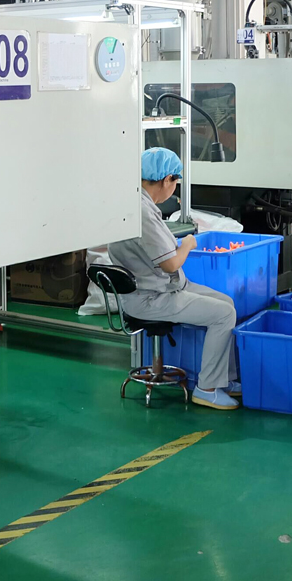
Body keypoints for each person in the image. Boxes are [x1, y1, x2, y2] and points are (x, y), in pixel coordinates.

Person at [107, 147, 240, 411]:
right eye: (176, 181)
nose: (175, 188)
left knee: (227, 302)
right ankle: (207, 389)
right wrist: (187, 244)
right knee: (224, 314)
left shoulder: (132, 201)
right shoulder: (142, 212)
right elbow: (170, 264)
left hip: (155, 287)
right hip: (152, 297)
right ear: (167, 179)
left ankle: (223, 379)